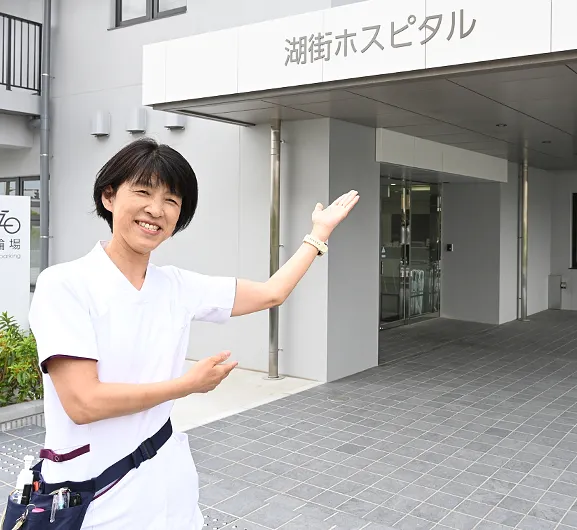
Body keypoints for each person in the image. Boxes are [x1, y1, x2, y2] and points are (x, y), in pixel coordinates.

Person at [27, 137, 359, 529]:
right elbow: (84, 402)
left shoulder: (177, 286)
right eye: (143, 192)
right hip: (93, 499)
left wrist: (318, 235)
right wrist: (186, 385)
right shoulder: (65, 284)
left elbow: (272, 293)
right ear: (109, 196)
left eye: (171, 200)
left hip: (168, 486)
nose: (156, 209)